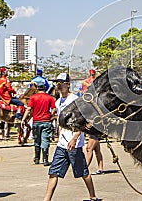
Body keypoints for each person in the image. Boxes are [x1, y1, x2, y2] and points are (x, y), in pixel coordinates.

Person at [43, 73, 100, 201]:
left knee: (83, 173)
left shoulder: (75, 100)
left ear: (68, 84)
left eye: (61, 83)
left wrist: (75, 138)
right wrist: (58, 136)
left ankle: (93, 196)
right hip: (62, 144)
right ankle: (47, 199)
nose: (59, 86)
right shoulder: (58, 102)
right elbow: (60, 122)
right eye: (57, 83)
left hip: (74, 144)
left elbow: (84, 121)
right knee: (53, 172)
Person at [21, 80, 56, 166]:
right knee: (45, 140)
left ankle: (37, 158)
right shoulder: (50, 98)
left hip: (36, 122)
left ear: (37, 88)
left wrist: (24, 119)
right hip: (46, 121)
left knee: (37, 140)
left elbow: (29, 109)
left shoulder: (33, 97)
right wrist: (50, 115)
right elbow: (54, 108)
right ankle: (45, 159)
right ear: (44, 88)